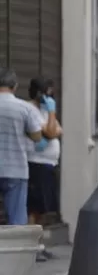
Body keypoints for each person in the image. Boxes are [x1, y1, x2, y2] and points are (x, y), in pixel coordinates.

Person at [0, 68, 44, 228]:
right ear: (15, 86)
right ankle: (17, 252)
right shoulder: (24, 108)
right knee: (17, 221)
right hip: (16, 169)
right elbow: (37, 136)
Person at [26, 78, 62, 259]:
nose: (49, 95)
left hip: (49, 164)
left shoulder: (45, 110)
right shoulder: (31, 110)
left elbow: (58, 130)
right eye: (47, 92)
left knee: (43, 208)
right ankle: (31, 247)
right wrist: (52, 112)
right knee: (34, 208)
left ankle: (39, 246)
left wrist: (51, 116)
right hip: (37, 163)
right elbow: (51, 132)